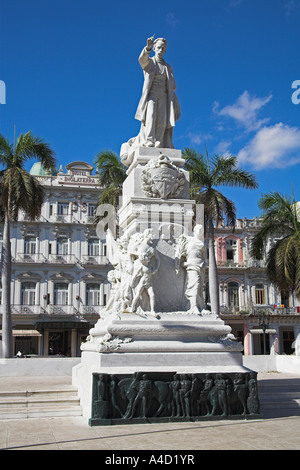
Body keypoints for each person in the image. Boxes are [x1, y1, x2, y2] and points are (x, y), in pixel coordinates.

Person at [121, 35, 181, 165]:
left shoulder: (168, 67)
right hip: (152, 95)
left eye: (163, 48)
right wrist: (147, 48)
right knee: (151, 116)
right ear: (154, 48)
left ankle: (159, 141)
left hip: (165, 96)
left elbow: (173, 85)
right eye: (158, 47)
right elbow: (142, 60)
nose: (161, 50)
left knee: (162, 120)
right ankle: (150, 140)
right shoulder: (150, 63)